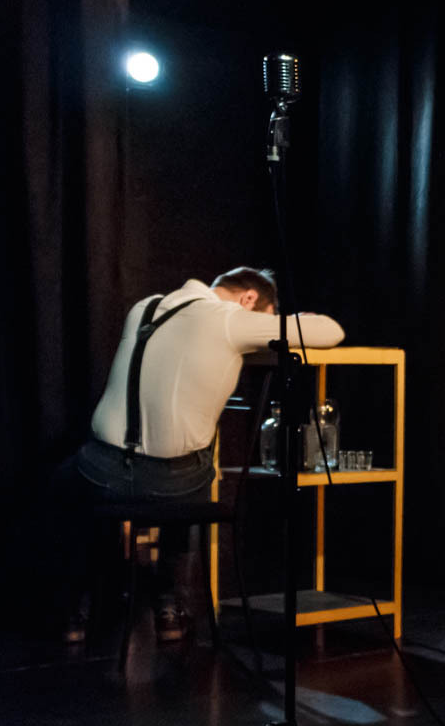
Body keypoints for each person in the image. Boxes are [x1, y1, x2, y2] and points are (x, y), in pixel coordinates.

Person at [49, 267, 345, 643]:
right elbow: (332, 331)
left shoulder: (144, 308)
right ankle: (168, 599)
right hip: (172, 484)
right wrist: (293, 322)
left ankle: (76, 608)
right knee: (198, 461)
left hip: (102, 471)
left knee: (65, 484)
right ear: (249, 299)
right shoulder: (231, 319)